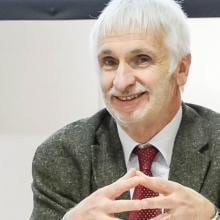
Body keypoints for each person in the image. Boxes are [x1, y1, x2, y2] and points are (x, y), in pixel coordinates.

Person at [30, 0, 220, 219]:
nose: (121, 82)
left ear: (181, 69)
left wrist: (212, 216)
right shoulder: (63, 153)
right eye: (109, 62)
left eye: (141, 59)